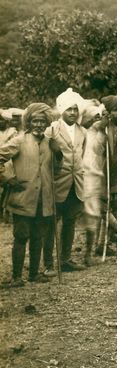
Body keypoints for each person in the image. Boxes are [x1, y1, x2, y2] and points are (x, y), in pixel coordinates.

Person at [0, 103, 57, 286]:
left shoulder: (50, 143)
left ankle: (33, 274)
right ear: (29, 122)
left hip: (44, 199)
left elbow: (57, 169)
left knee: (38, 236)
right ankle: (16, 277)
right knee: (21, 236)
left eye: (42, 121)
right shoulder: (19, 140)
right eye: (35, 121)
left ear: (47, 123)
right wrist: (8, 178)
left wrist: (59, 153)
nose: (39, 125)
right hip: (23, 198)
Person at [82, 95, 117, 261]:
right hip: (101, 173)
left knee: (116, 207)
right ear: (109, 112)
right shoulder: (101, 127)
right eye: (115, 110)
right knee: (102, 209)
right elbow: (91, 145)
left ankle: (103, 244)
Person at [45, 88, 87, 272]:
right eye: (69, 109)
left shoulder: (83, 131)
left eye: (75, 109)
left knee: (70, 221)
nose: (72, 113)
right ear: (62, 110)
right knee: (51, 223)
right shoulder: (52, 129)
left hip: (75, 183)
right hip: (56, 182)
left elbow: (83, 155)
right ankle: (47, 262)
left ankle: (65, 259)